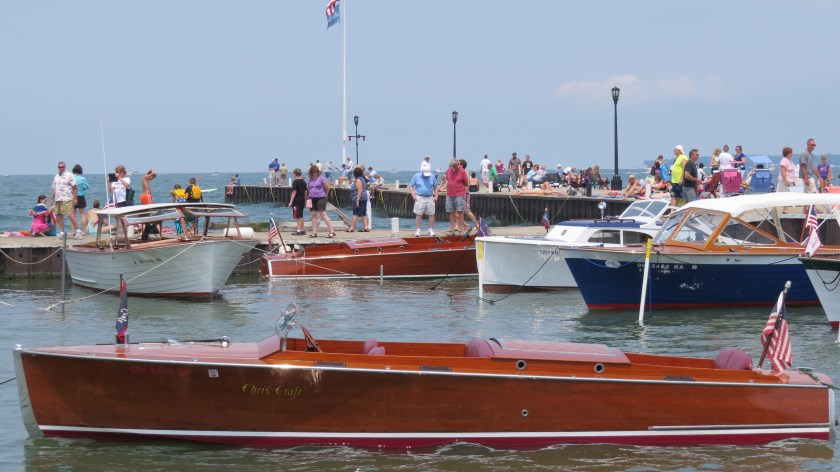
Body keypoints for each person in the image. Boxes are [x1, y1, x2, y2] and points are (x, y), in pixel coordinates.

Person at [51, 161, 80, 239]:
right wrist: (52, 198)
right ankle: (61, 232)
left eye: (62, 167)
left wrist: (75, 198)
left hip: (67, 198)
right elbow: (54, 188)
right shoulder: (56, 176)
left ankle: (78, 231)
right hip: (58, 198)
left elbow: (75, 187)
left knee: (70, 215)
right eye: (59, 167)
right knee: (59, 215)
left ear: (65, 167)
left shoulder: (69, 175)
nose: (61, 168)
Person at [409, 165, 439, 236]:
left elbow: (436, 186)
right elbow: (411, 186)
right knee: (418, 214)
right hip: (420, 197)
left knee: (431, 214)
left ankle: (431, 229)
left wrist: (436, 195)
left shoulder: (432, 176)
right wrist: (413, 194)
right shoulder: (416, 176)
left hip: (430, 197)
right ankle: (418, 230)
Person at [307, 165, 335, 238]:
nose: (315, 173)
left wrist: (326, 195)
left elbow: (327, 187)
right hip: (312, 198)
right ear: (311, 172)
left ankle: (332, 231)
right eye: (314, 172)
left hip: (321, 197)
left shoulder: (322, 178)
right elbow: (309, 188)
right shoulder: (310, 179)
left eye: (316, 172)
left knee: (323, 214)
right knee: (313, 215)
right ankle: (314, 232)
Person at [444, 159, 469, 234]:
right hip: (450, 194)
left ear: (458, 164)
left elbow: (466, 183)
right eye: (453, 166)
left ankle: (460, 228)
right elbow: (447, 180)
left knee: (460, 211)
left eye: (456, 165)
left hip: (459, 194)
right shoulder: (448, 171)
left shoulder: (462, 171)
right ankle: (452, 228)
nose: (455, 167)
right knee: (451, 212)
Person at [346, 167, 369, 232]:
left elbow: (360, 190)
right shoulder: (362, 179)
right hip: (363, 198)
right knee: (362, 213)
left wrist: (358, 200)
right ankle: (366, 227)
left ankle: (352, 228)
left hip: (360, 199)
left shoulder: (358, 180)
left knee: (356, 213)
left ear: (355, 174)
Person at [287, 168, 308, 235]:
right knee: (301, 215)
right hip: (302, 200)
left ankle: (298, 230)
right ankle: (302, 229)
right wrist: (305, 201)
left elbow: (294, 192)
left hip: (297, 201)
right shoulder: (303, 181)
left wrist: (290, 202)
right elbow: (305, 192)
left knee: (298, 216)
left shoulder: (295, 182)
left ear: (295, 174)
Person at [71, 164, 89, 232]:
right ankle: (84, 231)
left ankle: (72, 232)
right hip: (81, 196)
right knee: (82, 215)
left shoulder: (72, 178)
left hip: (73, 196)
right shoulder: (82, 178)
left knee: (73, 215)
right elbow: (87, 186)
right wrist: (82, 188)